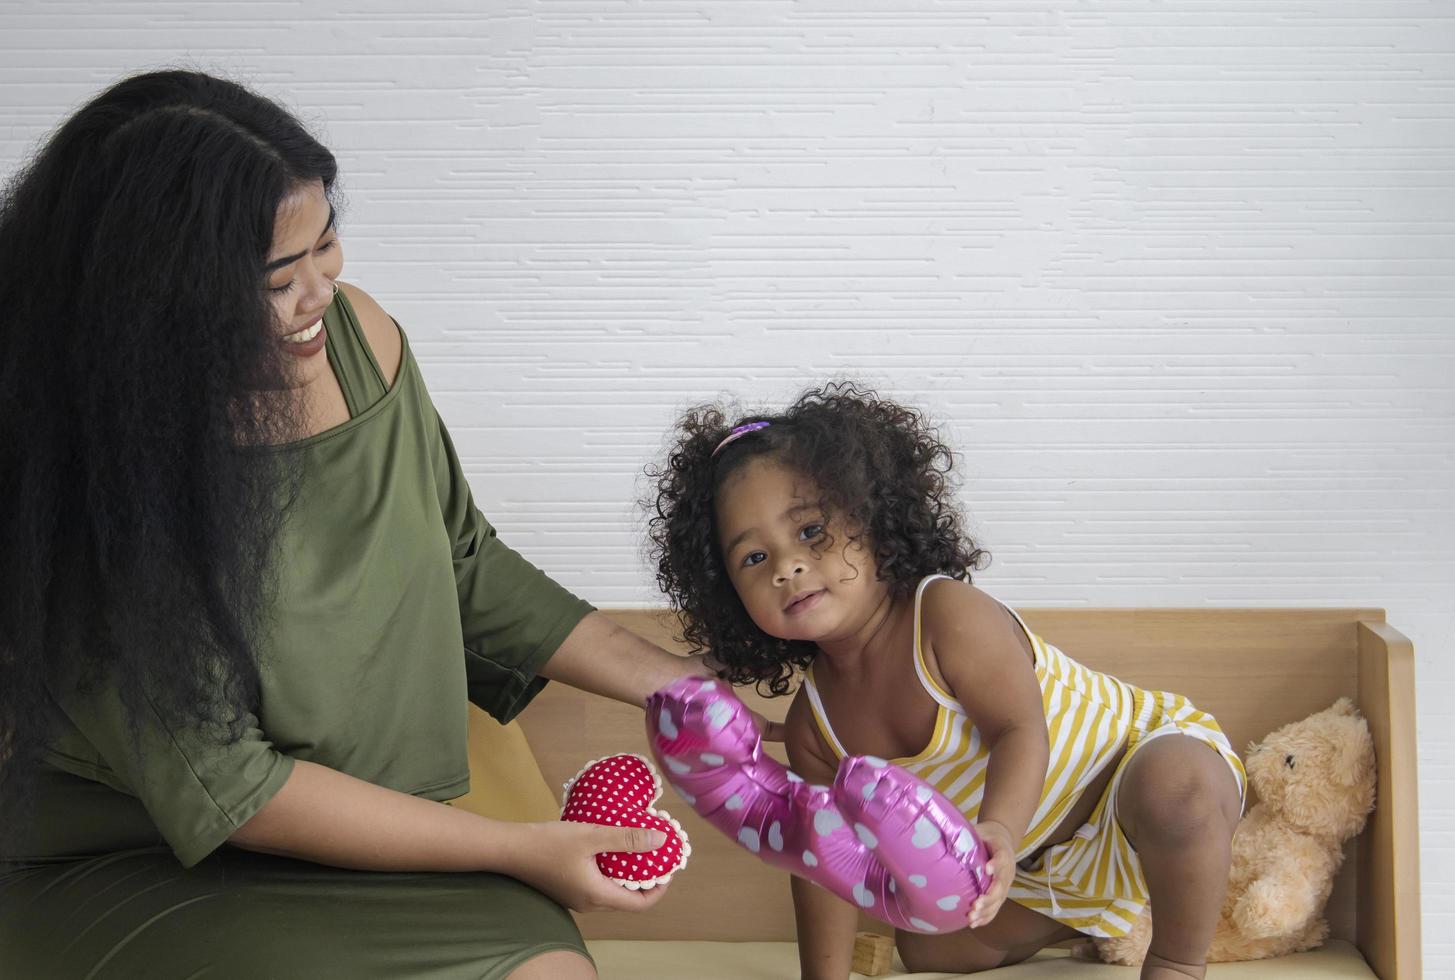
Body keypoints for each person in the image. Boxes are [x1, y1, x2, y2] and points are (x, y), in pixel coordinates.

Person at [0, 69, 770, 980]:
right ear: (152, 305)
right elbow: (234, 792)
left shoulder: (363, 343)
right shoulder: (81, 487)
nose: (320, 292)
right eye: (278, 278)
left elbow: (460, 560)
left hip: (382, 824)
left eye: (327, 245)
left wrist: (682, 688)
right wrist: (517, 848)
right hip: (143, 861)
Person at [646, 383, 1248, 980]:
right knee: (931, 946)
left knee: (1179, 788)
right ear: (727, 593)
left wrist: (1000, 832)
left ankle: (1175, 958)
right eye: (754, 558)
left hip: (1123, 778)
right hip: (1039, 867)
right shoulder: (813, 727)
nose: (787, 566)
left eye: (809, 531)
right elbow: (821, 858)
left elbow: (1019, 731)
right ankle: (1098, 915)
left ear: (873, 519)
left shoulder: (946, 616)